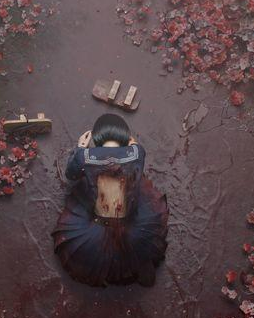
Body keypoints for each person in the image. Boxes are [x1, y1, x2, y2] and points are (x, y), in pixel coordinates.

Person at [52, 113, 169, 287]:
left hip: (96, 226)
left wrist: (80, 148)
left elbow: (71, 174)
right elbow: (135, 147)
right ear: (124, 136)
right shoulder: (138, 152)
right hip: (131, 223)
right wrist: (132, 142)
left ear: (97, 137)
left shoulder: (84, 156)